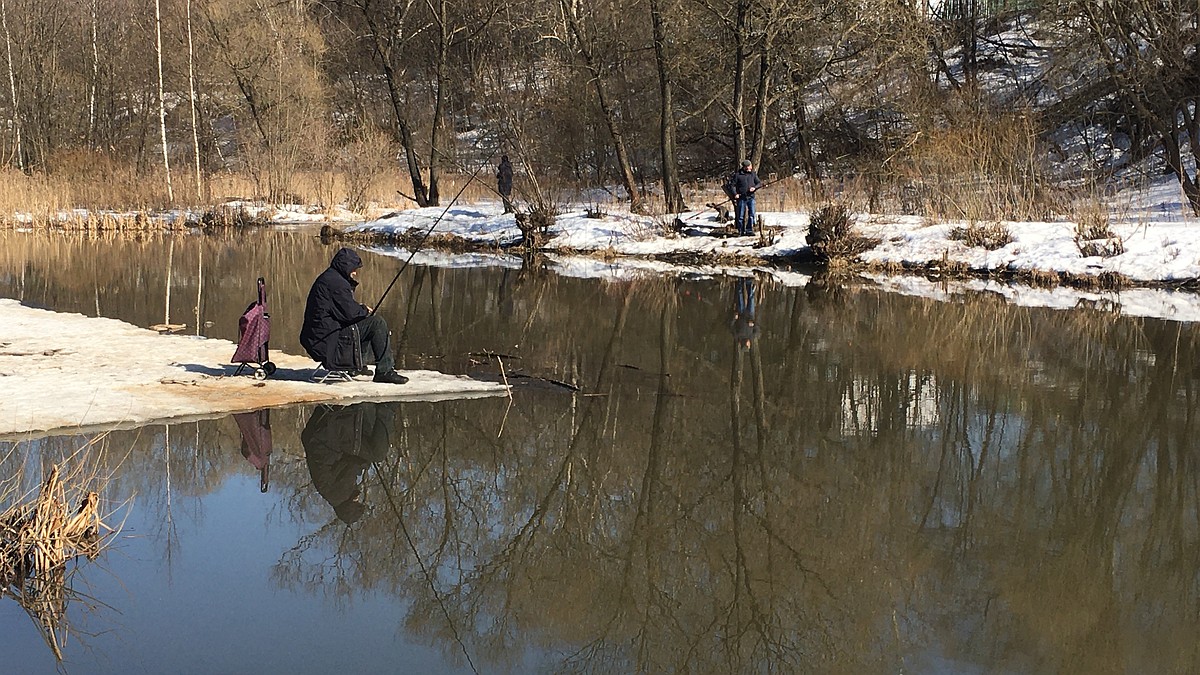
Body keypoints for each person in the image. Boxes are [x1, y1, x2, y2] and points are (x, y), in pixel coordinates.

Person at [299, 247, 408, 384]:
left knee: (365, 321)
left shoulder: (329, 278)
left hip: (319, 337)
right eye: (354, 269)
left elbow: (343, 310)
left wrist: (362, 311)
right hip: (327, 340)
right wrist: (364, 310)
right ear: (346, 266)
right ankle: (385, 371)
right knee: (376, 323)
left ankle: (357, 365)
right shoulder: (336, 283)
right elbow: (350, 314)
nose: (355, 273)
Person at [301, 402, 394, 524]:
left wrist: (365, 463)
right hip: (323, 437)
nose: (358, 498)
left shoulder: (339, 495)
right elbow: (346, 465)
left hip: (329, 435)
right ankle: (374, 406)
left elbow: (351, 466)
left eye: (357, 502)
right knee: (367, 441)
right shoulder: (332, 495)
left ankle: (387, 408)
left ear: (350, 507)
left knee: (377, 454)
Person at [726, 159, 763, 236]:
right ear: (744, 167)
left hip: (751, 197)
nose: (750, 168)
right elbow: (732, 185)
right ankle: (741, 231)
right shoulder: (738, 175)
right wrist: (735, 194)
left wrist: (754, 188)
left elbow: (759, 183)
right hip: (741, 198)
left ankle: (749, 230)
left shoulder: (753, 174)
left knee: (752, 214)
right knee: (740, 215)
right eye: (748, 167)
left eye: (750, 166)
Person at [731, 276, 759, 350]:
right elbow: (757, 328)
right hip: (750, 314)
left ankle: (740, 281)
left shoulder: (737, 336)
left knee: (740, 295)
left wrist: (734, 318)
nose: (749, 344)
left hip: (740, 314)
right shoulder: (752, 336)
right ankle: (748, 283)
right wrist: (753, 324)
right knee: (751, 298)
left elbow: (731, 326)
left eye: (748, 345)